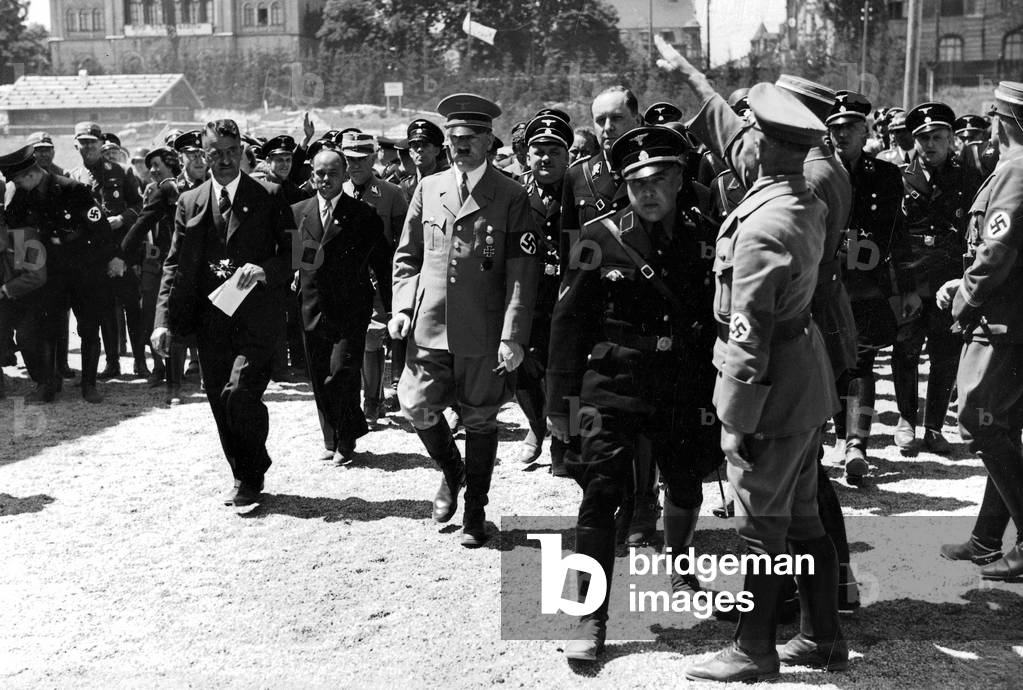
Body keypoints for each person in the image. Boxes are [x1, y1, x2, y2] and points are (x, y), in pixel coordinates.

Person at [657, 41, 847, 681]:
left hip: (769, 387)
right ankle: (822, 635)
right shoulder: (801, 194)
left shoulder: (765, 224)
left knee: (759, 526)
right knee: (800, 514)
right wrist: (690, 76)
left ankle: (752, 647)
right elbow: (732, 131)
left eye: (753, 130)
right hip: (802, 379)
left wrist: (736, 414)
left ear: (765, 144)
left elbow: (749, 331)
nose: (746, 139)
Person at [549, 125, 720, 662]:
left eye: (659, 178)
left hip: (683, 382)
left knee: (686, 482)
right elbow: (567, 324)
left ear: (679, 179)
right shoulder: (599, 239)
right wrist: (560, 406)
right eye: (635, 181)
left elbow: (717, 319)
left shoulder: (707, 236)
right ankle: (589, 616)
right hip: (613, 382)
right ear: (623, 184)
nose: (647, 191)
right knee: (600, 492)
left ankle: (680, 564)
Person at [389, 93, 540, 548]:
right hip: (429, 323)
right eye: (453, 139)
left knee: (480, 419)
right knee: (415, 403)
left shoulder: (511, 194)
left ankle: (476, 509)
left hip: (484, 329)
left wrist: (512, 336)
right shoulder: (428, 187)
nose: (459, 147)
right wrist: (400, 306)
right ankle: (452, 470)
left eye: (469, 139)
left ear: (489, 141)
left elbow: (522, 272)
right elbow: (407, 256)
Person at [151, 119, 294, 509]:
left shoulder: (269, 194)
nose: (225, 160)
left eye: (232, 152)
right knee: (218, 398)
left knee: (241, 393)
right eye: (216, 153)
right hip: (210, 320)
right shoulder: (190, 201)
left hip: (256, 319)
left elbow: (290, 257)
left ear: (243, 152)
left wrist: (264, 269)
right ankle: (241, 472)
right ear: (203, 154)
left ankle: (251, 472)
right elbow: (173, 264)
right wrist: (162, 322)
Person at [936, 81, 1023, 580]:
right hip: (1005, 313)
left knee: (977, 417)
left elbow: (996, 253)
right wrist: (962, 281)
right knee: (1003, 425)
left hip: (1002, 321)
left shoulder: (1014, 171)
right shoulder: (1008, 170)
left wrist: (964, 299)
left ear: (1000, 121)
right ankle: (989, 537)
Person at [826, 91, 920, 483]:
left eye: (850, 127)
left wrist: (909, 287)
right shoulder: (817, 173)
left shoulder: (884, 175)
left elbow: (899, 237)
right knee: (833, 363)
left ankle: (856, 445)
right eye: (835, 127)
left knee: (861, 360)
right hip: (825, 285)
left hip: (866, 284)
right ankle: (842, 435)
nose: (842, 134)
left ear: (866, 130)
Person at [1, 145, 125, 404]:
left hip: (84, 267)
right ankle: (48, 384)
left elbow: (100, 226)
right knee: (48, 326)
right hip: (53, 270)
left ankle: (89, 385)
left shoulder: (72, 189)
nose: (16, 185)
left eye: (17, 180)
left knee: (88, 327)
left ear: (30, 174)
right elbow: (14, 225)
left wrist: (114, 256)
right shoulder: (24, 195)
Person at [892, 102, 983, 453]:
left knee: (945, 352)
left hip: (948, 279)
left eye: (938, 137)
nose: (930, 144)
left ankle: (933, 427)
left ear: (951, 140)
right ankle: (905, 421)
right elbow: (895, 239)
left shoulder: (965, 178)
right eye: (923, 138)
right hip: (912, 277)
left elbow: (970, 233)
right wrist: (904, 288)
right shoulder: (900, 177)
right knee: (906, 349)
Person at [292, 148, 392, 463]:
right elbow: (295, 261)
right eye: (319, 174)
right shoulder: (298, 212)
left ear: (344, 175)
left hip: (351, 309)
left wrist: (391, 310)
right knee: (320, 374)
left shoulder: (363, 215)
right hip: (311, 306)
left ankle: (347, 439)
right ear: (312, 176)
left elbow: (383, 264)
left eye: (332, 173)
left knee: (342, 372)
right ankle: (331, 438)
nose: (325, 180)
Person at [506, 114, 574, 474]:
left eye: (553, 151)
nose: (545, 158)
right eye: (538, 151)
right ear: (527, 157)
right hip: (528, 299)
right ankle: (536, 425)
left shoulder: (580, 194)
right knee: (522, 372)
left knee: (566, 370)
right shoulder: (514, 196)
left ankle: (565, 445)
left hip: (568, 299)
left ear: (567, 156)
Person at [339, 131, 409, 422]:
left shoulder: (391, 194)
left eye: (361, 159)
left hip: (378, 280)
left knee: (372, 338)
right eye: (349, 159)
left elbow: (403, 241)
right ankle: (361, 400)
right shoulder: (336, 191)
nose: (354, 166)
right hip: (344, 281)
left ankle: (371, 402)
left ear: (373, 158)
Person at [67, 121, 146, 379]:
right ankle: (112, 363)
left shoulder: (122, 171)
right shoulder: (72, 178)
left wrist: (122, 219)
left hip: (122, 251)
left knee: (132, 308)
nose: (88, 146)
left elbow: (138, 206)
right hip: (94, 256)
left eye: (93, 141)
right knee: (104, 310)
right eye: (83, 142)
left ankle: (140, 362)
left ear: (102, 144)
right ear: (76, 145)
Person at [120, 147, 187, 404]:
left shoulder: (172, 189)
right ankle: (162, 372)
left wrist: (120, 254)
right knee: (155, 319)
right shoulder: (163, 189)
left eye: (157, 165)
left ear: (171, 164)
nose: (153, 170)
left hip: (173, 265)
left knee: (172, 321)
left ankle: (177, 380)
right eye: (151, 167)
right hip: (156, 264)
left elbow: (142, 224)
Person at [0, 218, 48, 399]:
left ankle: (44, 382)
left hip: (32, 299)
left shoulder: (24, 238)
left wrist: (6, 289)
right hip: (7, 300)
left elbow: (36, 277)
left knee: (25, 337)